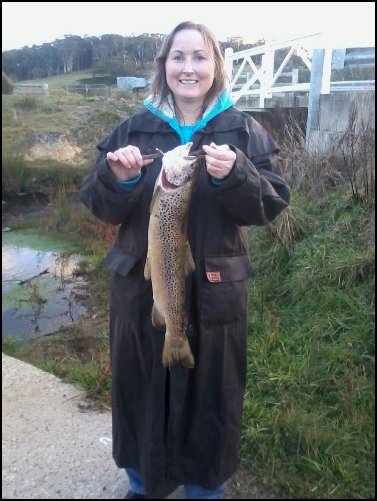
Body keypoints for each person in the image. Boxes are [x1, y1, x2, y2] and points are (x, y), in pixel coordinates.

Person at [79, 21, 290, 500]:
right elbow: (97, 201)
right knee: (141, 391)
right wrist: (121, 178)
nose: (188, 67)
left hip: (216, 293)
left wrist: (237, 175)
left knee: (211, 397)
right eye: (178, 57)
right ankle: (143, 484)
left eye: (200, 57)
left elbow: (272, 202)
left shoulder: (242, 129)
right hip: (142, 290)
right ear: (164, 66)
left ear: (215, 65)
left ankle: (204, 491)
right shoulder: (134, 128)